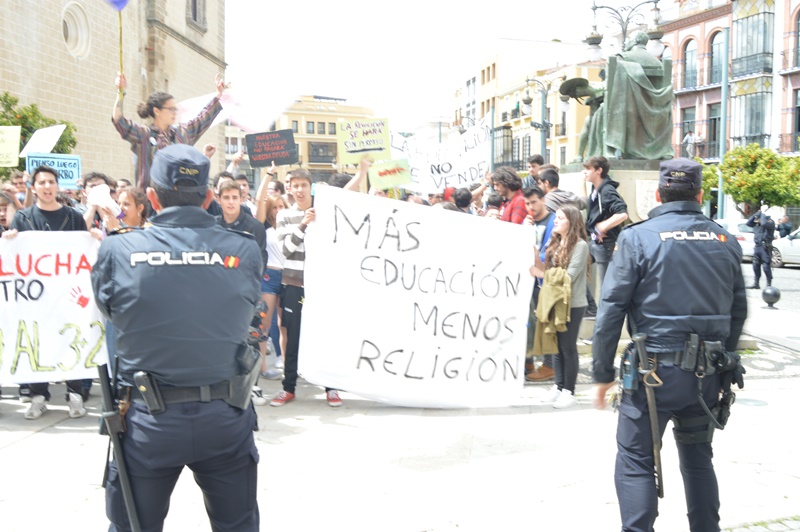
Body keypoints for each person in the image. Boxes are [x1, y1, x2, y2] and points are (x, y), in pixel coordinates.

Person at [91, 144, 263, 531]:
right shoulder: (243, 249)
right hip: (225, 415)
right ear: (207, 197)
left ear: (151, 197)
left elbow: (110, 312)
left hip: (147, 423)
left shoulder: (118, 249)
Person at [592, 157, 747, 532]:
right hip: (706, 376)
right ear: (699, 195)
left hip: (652, 377)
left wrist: (602, 373)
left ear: (659, 193)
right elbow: (738, 310)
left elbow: (611, 310)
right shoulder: (724, 239)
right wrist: (722, 355)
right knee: (698, 459)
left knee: (636, 459)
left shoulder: (636, 237)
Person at [4, 165, 92, 419]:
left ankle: (74, 395)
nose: (47, 187)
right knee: (37, 343)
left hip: (68, 295)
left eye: (51, 182)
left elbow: (82, 250)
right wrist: (10, 239)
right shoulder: (24, 218)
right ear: (34, 187)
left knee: (72, 341)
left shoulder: (74, 217)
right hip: (36, 297)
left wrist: (93, 237)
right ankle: (38, 395)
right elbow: (17, 255)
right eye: (41, 183)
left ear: (57, 185)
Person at [270, 168, 343, 408]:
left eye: (304, 185)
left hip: (322, 285)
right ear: (289, 188)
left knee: (325, 335)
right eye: (295, 185)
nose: (300, 189)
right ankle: (288, 388)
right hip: (294, 285)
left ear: (310, 187)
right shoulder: (284, 216)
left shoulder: (326, 212)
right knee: (293, 338)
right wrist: (302, 224)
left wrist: (362, 173)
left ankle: (331, 388)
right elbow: (285, 250)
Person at [112, 71, 225, 191]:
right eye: (171, 109)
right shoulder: (143, 134)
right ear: (157, 111)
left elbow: (202, 119)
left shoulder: (182, 133)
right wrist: (120, 92)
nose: (174, 113)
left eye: (175, 109)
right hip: (148, 201)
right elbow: (118, 120)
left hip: (176, 200)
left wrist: (218, 95)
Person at [529, 204, 589, 408]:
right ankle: (559, 385)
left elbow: (569, 277)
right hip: (554, 301)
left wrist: (541, 274)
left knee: (567, 347)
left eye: (560, 218)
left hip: (572, 304)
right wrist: (536, 257)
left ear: (571, 222)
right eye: (556, 217)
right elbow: (547, 269)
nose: (555, 220)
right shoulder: (555, 243)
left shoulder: (580, 246)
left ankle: (569, 391)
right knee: (555, 347)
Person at [523, 186, 556, 382]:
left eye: (534, 202)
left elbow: (549, 250)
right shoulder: (527, 222)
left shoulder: (553, 221)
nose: (530, 207)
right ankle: (528, 360)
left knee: (547, 323)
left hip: (546, 278)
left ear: (543, 200)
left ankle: (549, 365)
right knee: (529, 322)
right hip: (530, 279)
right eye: (527, 203)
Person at [584, 156, 628, 298]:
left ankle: (603, 315)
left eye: (588, 169)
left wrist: (602, 226)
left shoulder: (607, 190)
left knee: (606, 287)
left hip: (605, 244)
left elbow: (622, 214)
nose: (584, 172)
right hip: (594, 242)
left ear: (599, 170)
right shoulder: (596, 189)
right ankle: (591, 307)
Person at [746, 209, 775, 289]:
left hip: (765, 247)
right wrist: (757, 213)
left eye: (759, 218)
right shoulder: (757, 225)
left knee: (766, 266)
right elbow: (748, 223)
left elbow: (764, 223)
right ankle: (756, 283)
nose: (757, 219)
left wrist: (762, 214)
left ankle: (769, 284)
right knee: (755, 265)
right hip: (757, 246)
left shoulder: (770, 222)